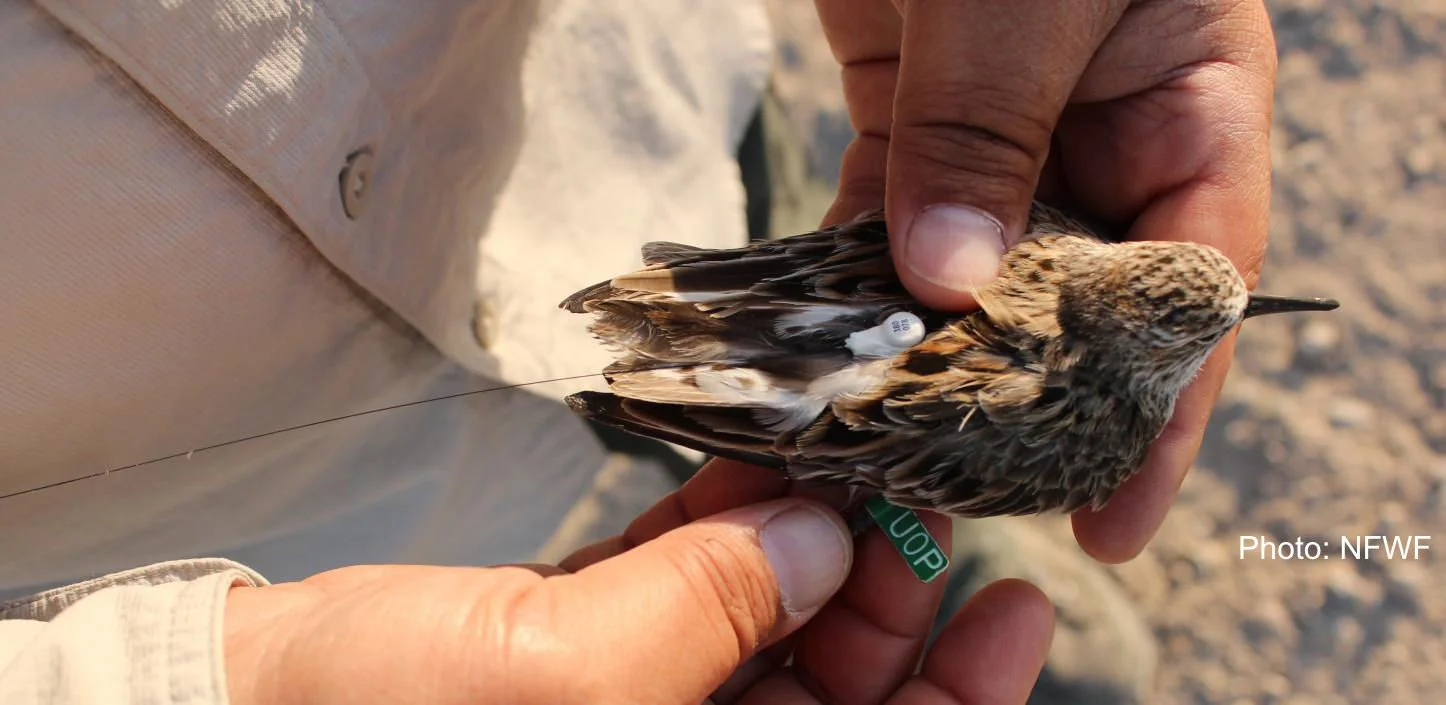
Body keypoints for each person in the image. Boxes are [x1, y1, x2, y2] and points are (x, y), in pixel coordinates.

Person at [0, 0, 1276, 702]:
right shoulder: (1086, 442)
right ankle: (914, 544)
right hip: (329, 492)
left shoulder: (1039, 238)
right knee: (878, 494)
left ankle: (910, 535)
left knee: (845, 430)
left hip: (642, 142)